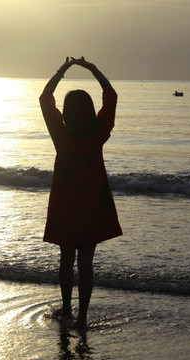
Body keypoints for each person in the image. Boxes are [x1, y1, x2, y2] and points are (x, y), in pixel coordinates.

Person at [39, 57, 122, 328]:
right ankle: (83, 317)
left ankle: (66, 311)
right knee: (86, 263)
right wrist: (93, 69)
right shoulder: (97, 134)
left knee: (66, 260)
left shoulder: (61, 136)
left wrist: (63, 69)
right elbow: (111, 98)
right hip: (93, 204)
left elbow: (45, 97)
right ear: (88, 111)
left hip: (65, 203)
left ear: (67, 111)